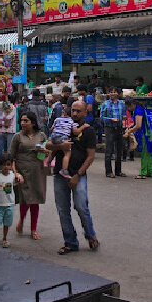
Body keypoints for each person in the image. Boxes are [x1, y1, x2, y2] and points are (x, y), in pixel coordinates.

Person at [45, 101, 99, 255]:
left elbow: (90, 157)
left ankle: (90, 234)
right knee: (63, 209)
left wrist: (78, 175)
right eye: (73, 111)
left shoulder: (88, 131)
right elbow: (48, 144)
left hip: (78, 174)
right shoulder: (63, 125)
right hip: (60, 174)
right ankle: (70, 241)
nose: (75, 114)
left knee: (81, 206)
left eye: (78, 111)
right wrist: (59, 147)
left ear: (85, 113)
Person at [10, 112, 47, 240]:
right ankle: (21, 220)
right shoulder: (17, 137)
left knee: (35, 199)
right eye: (22, 121)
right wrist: (15, 173)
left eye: (26, 121)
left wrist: (44, 152)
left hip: (37, 170)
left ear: (33, 122)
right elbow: (11, 157)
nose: (23, 123)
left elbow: (48, 153)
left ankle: (33, 229)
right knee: (25, 199)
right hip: (22, 171)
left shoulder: (41, 136)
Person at [47, 107, 89, 178]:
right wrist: (83, 127)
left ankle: (48, 162)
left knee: (54, 150)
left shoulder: (57, 119)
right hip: (63, 137)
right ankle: (64, 170)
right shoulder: (71, 121)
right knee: (67, 153)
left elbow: (52, 128)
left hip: (54, 135)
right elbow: (76, 132)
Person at [0, 152, 24, 249]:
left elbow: (19, 181)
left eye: (8, 165)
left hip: (10, 203)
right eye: (3, 165)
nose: (6, 167)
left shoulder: (12, 176)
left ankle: (5, 238)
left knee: (7, 222)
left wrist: (20, 178)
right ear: (0, 165)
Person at [125, 99, 152, 179]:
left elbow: (138, 125)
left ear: (131, 105)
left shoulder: (138, 111)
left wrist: (129, 132)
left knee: (144, 154)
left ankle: (143, 173)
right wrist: (131, 126)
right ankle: (149, 171)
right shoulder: (139, 109)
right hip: (149, 133)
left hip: (145, 134)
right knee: (148, 153)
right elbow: (138, 122)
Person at [100, 87, 126, 178]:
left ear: (117, 94)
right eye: (111, 92)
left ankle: (118, 171)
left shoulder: (122, 104)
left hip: (119, 127)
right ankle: (108, 171)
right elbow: (102, 117)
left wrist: (124, 119)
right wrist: (111, 119)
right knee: (109, 150)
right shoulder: (105, 104)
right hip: (109, 128)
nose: (113, 94)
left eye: (115, 92)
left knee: (119, 150)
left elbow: (124, 115)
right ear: (109, 93)